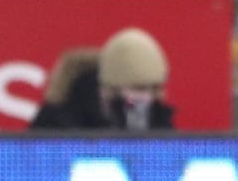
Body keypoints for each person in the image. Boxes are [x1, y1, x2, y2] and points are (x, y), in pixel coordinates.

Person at [30, 27, 174, 130]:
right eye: (138, 88)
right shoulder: (57, 123)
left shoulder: (154, 117)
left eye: (155, 88)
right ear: (108, 89)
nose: (147, 97)